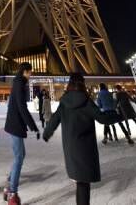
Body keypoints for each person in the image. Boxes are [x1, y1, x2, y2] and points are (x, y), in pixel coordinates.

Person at [43, 73, 121, 205]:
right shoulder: (86, 101)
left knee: (81, 183)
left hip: (70, 148)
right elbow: (102, 119)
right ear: (82, 84)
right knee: (83, 184)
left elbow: (54, 120)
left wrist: (47, 133)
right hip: (85, 149)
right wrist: (120, 115)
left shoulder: (64, 101)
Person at [4, 62, 40, 205]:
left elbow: (19, 106)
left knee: (20, 155)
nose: (31, 75)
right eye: (30, 72)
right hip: (15, 125)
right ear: (25, 71)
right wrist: (33, 127)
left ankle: (9, 184)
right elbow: (21, 107)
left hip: (15, 124)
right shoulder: (19, 84)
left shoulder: (19, 83)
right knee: (19, 157)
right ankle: (12, 191)